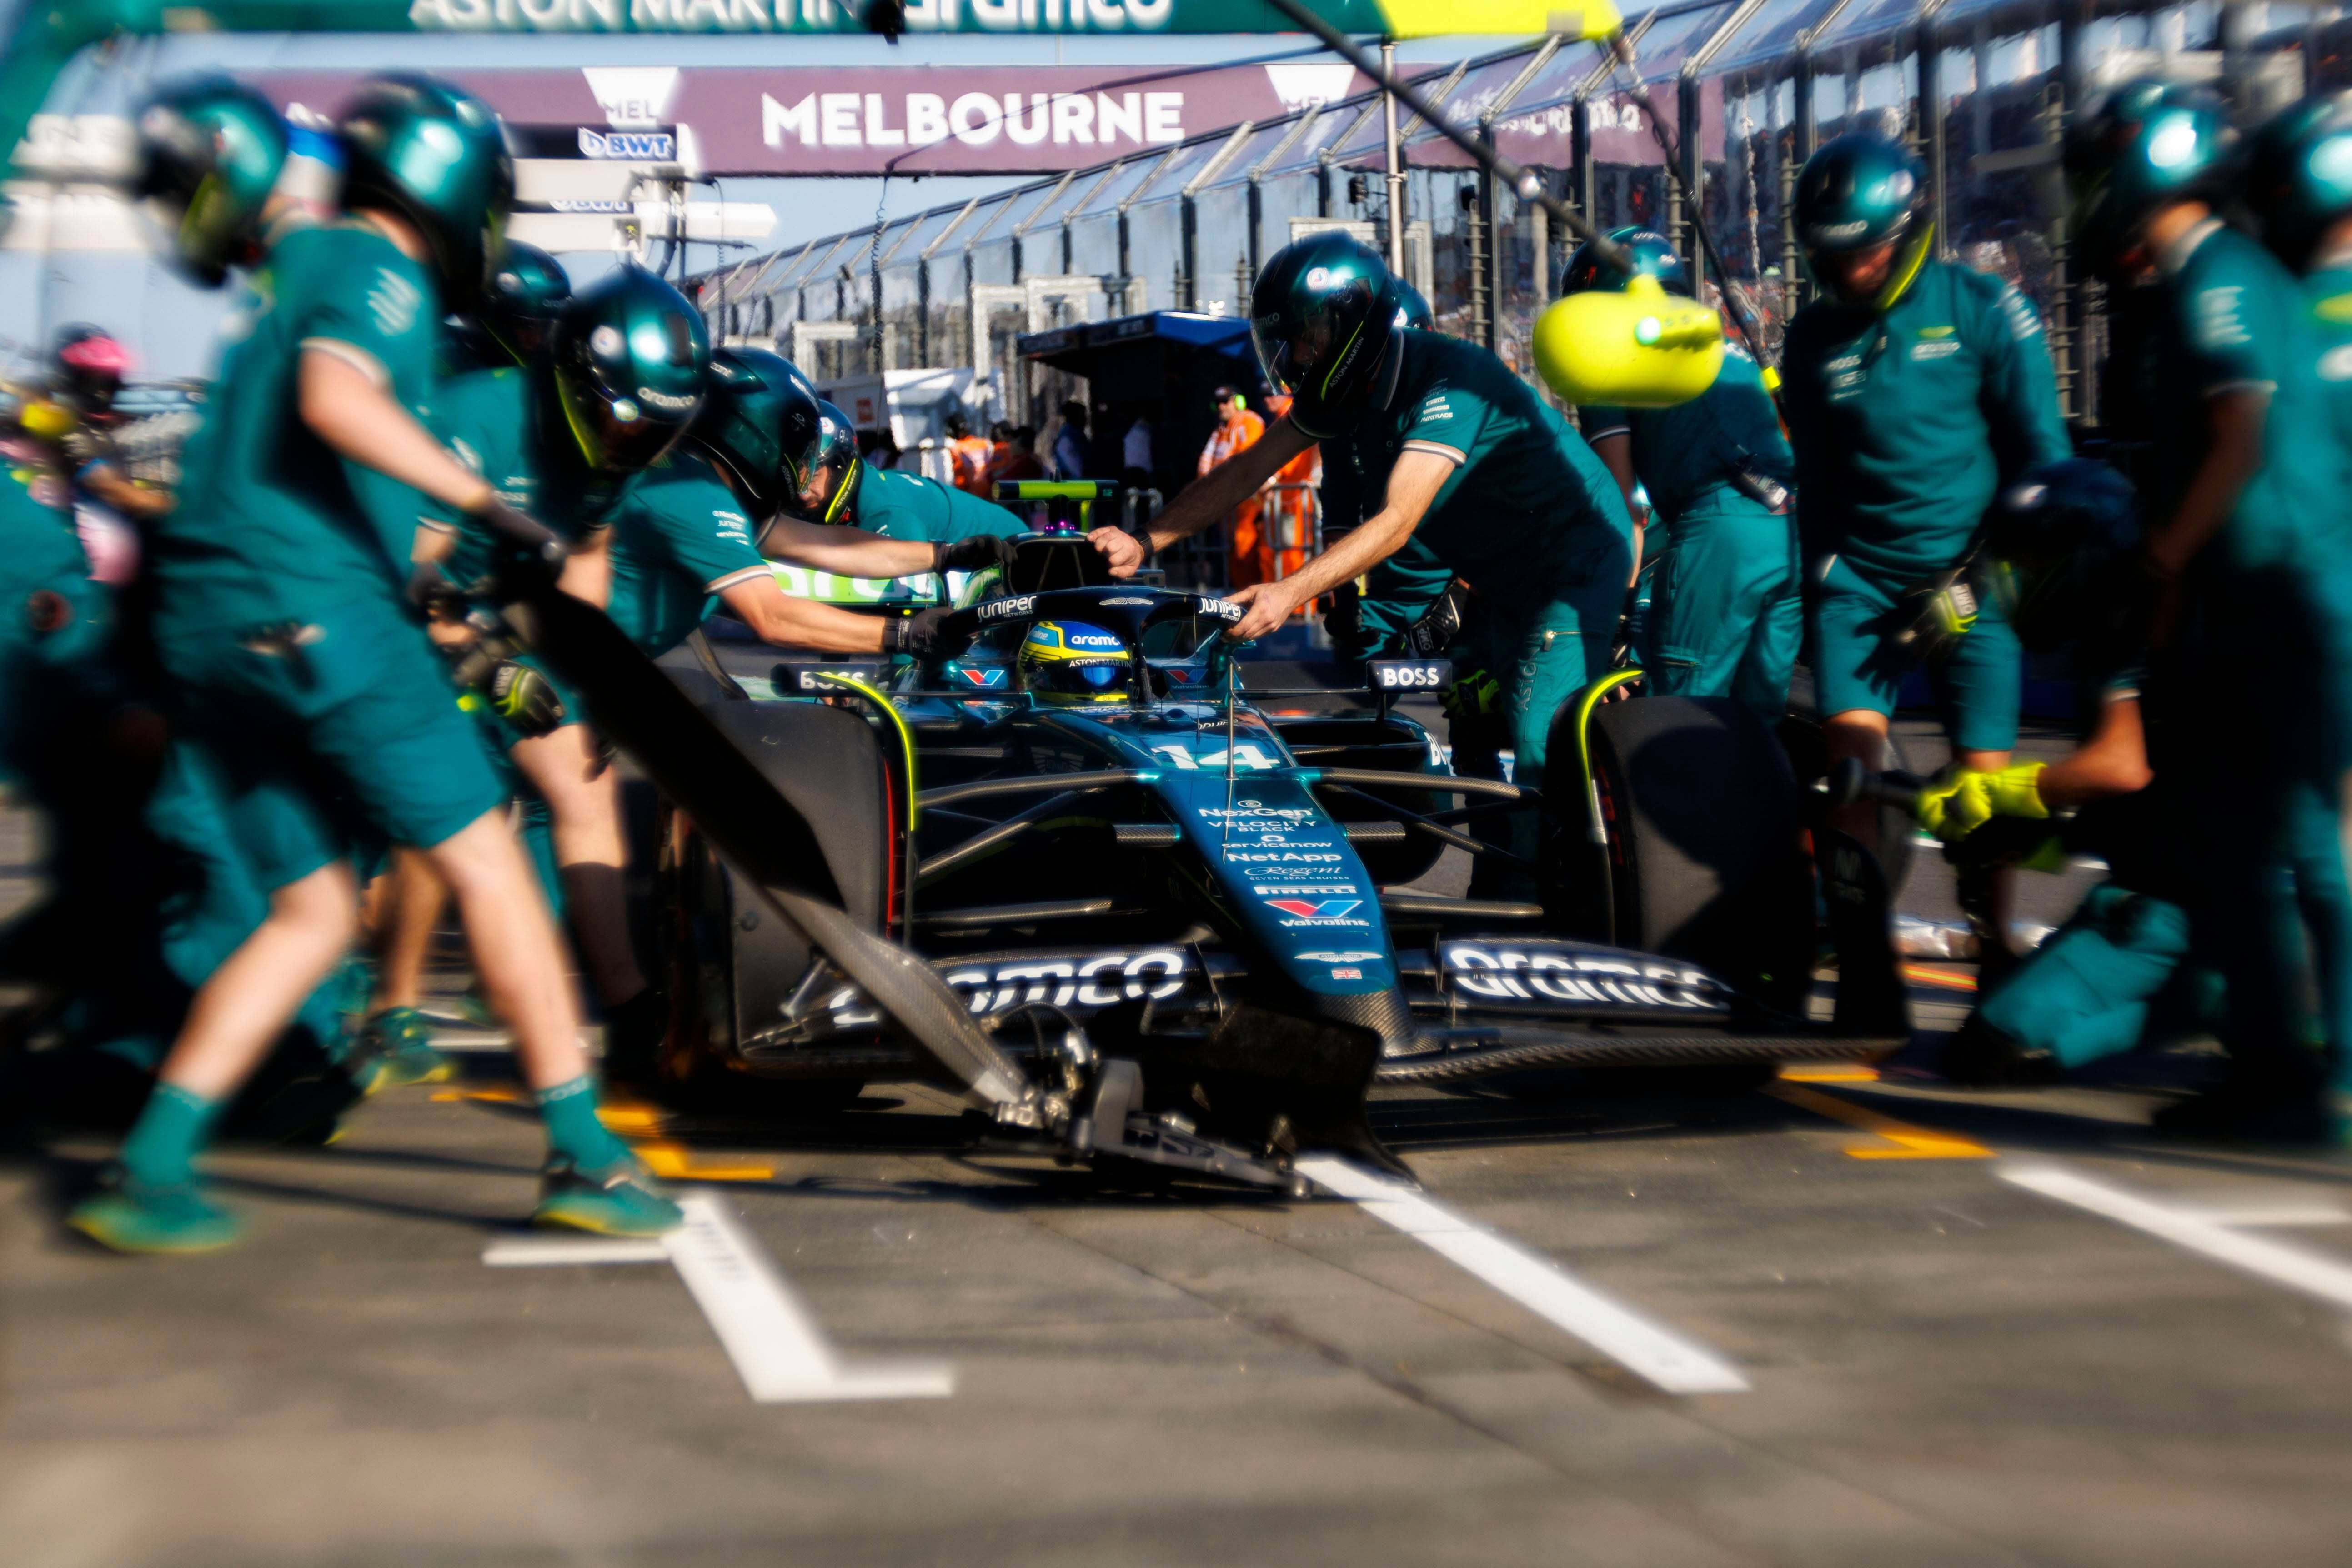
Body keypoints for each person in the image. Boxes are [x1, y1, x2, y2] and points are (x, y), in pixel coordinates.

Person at [65, 75, 680, 1252]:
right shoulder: (377, 264)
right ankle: (586, 1158)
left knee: (309, 910)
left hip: (213, 630)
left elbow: (344, 493)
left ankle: (150, 1167)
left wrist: (476, 636)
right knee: (493, 864)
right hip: (313, 610)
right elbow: (336, 398)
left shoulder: (300, 267)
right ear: (457, 193)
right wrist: (494, 515)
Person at [1093, 232, 1633, 886]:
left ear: (1354, 319)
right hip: (1499, 580)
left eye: (1307, 336)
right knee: (1470, 724)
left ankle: (1564, 909)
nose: (1295, 356)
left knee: (1532, 734)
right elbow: (1247, 472)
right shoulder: (1338, 396)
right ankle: (1498, 886)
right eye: (1285, 342)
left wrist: (1288, 591)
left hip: (1575, 565)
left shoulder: (1449, 378)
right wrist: (1147, 540)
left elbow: (1398, 520)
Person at [2070, 80, 2352, 1141]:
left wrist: (2158, 557)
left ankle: (2312, 1078)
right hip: (2265, 593)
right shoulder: (2229, 275)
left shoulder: (2218, 279)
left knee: (2283, 846)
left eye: (2100, 171)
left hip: (2284, 591)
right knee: (2270, 845)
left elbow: (2240, 433)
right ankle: (2291, 1067)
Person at [1783, 130, 2071, 960]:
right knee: (1851, 776)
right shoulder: (1809, 339)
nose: (1846, 272)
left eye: (1862, 254)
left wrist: (1978, 582)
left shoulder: (1984, 308)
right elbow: (1816, 475)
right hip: (1858, 582)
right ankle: (1860, 944)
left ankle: (1998, 940)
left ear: (1905, 232)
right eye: (1827, 256)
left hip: (1976, 571)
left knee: (1986, 786)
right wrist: (1824, 581)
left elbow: (2044, 461)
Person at [1911, 461, 2197, 1084]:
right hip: (2190, 878)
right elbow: (2136, 812)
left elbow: (2122, 770)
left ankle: (2207, 1004)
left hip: (2187, 904)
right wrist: (2017, 839)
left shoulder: (2124, 627)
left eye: (2035, 564)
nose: (2020, 581)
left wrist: (1995, 790)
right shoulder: (2157, 609)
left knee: (1990, 1050)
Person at [1564, 229, 1800, 721]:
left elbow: (1623, 506)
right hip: (1790, 527)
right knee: (1757, 722)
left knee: (1682, 716)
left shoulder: (1607, 353)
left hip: (1720, 529)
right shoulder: (1720, 343)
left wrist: (1620, 621)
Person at [767, 393, 1028, 546]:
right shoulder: (873, 489)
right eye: (794, 477)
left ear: (838, 467)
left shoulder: (883, 509)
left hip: (1015, 552)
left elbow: (911, 589)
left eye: (812, 475)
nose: (802, 492)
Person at [1197, 386, 1271, 588]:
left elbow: (1245, 458)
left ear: (1237, 402)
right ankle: (1240, 593)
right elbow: (1205, 463)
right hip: (1227, 499)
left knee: (1244, 547)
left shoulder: (1250, 422)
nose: (1221, 406)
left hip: (1246, 498)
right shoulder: (1221, 429)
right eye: (1218, 402)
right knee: (1232, 550)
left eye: (1226, 401)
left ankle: (1250, 594)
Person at [944, 410, 992, 496]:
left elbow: (960, 478)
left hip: (970, 494)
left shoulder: (956, 448)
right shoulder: (984, 443)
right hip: (989, 491)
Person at [1050, 400, 1089, 480]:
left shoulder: (1078, 435)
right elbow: (1075, 470)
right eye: (1082, 415)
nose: (1086, 419)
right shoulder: (1066, 439)